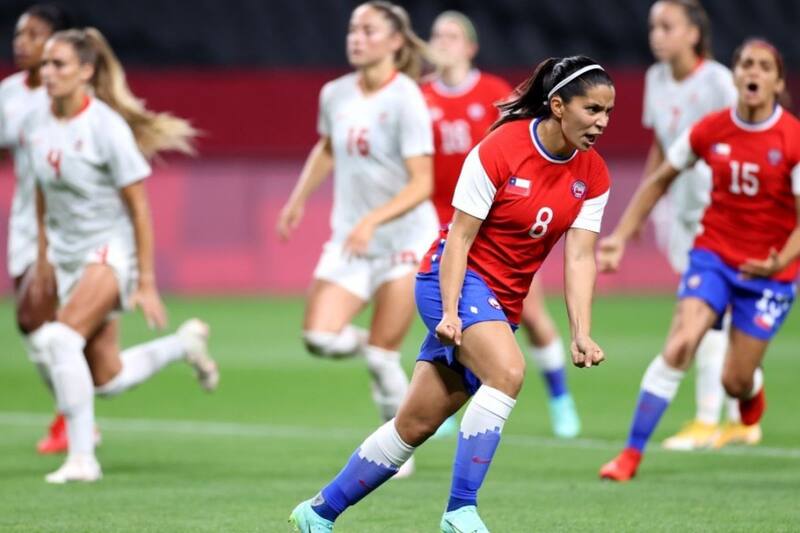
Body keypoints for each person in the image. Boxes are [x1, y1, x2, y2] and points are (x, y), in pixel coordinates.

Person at [290, 55, 614, 532]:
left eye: (608, 112)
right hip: (452, 280)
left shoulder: (595, 174)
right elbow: (459, 238)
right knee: (507, 371)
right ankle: (460, 511)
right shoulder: (500, 149)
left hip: (502, 303)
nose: (601, 123)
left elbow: (580, 257)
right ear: (559, 106)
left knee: (414, 426)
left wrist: (582, 331)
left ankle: (316, 513)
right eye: (592, 110)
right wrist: (448, 312)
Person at [24, 27, 219, 483]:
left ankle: (81, 460)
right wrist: (44, 255)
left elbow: (139, 207)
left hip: (110, 252)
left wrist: (145, 280)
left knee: (59, 340)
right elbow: (40, 192)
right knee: (106, 378)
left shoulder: (105, 127)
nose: (47, 73)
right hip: (70, 256)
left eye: (59, 65)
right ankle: (183, 345)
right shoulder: (37, 123)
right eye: (45, 65)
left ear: (87, 72)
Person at [598, 38, 799, 482]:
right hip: (713, 256)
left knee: (734, 380)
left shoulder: (792, 139)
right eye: (746, 64)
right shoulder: (710, 129)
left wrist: (778, 259)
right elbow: (659, 179)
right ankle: (629, 456)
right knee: (680, 344)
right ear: (736, 75)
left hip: (772, 272)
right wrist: (620, 236)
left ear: (778, 81)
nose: (753, 72)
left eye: (764, 67)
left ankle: (750, 390)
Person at [276, 2, 437, 478]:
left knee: (385, 356)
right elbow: (327, 147)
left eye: (368, 30)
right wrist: (298, 198)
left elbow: (422, 183)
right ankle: (376, 350)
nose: (356, 37)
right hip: (352, 239)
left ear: (394, 42)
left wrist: (375, 220)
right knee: (319, 337)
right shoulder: (335, 93)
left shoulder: (406, 97)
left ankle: (397, 451)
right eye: (353, 29)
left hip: (405, 240)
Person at [422, 10, 581, 439]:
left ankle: (560, 398)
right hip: (443, 225)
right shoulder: (421, 98)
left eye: (453, 35)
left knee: (533, 317)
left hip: (499, 231)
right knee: (443, 314)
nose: (443, 41)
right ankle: (442, 406)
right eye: (437, 34)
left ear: (471, 47)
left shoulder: (494, 94)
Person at [642, 0, 758, 451]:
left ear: (693, 33)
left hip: (722, 214)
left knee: (704, 314)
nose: (657, 34)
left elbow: (748, 132)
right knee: (721, 316)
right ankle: (743, 419)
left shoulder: (718, 82)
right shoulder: (655, 79)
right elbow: (660, 146)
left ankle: (709, 418)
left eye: (667, 26)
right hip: (683, 212)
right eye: (654, 26)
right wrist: (643, 206)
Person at [0, 3, 75, 455]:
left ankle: (72, 416)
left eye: (34, 34)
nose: (20, 42)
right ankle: (70, 408)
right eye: (18, 34)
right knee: (34, 326)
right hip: (27, 219)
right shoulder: (9, 93)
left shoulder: (68, 92)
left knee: (38, 319)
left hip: (69, 225)